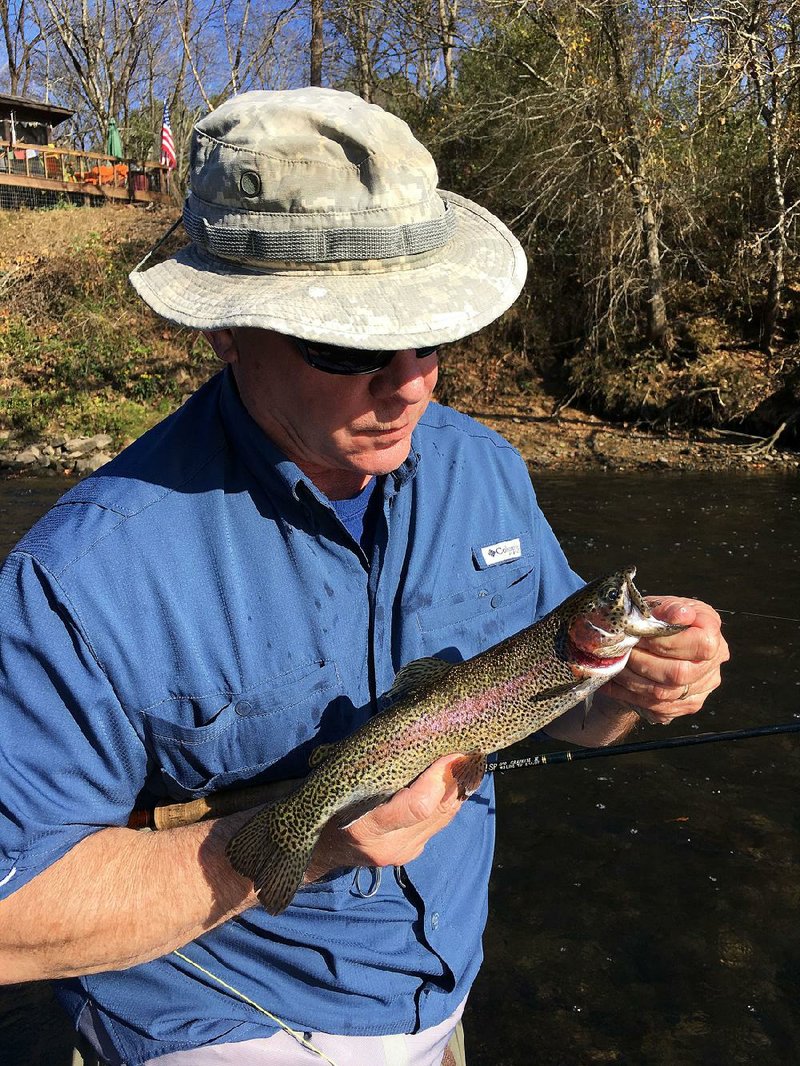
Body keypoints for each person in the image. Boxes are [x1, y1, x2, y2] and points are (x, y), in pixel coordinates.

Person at [0, 88, 728, 1066]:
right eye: (349, 342)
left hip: (439, 1002)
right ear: (227, 327)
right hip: (214, 1022)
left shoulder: (485, 470)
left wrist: (631, 689)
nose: (412, 381)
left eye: (429, 330)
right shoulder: (81, 578)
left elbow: (562, 708)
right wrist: (320, 837)